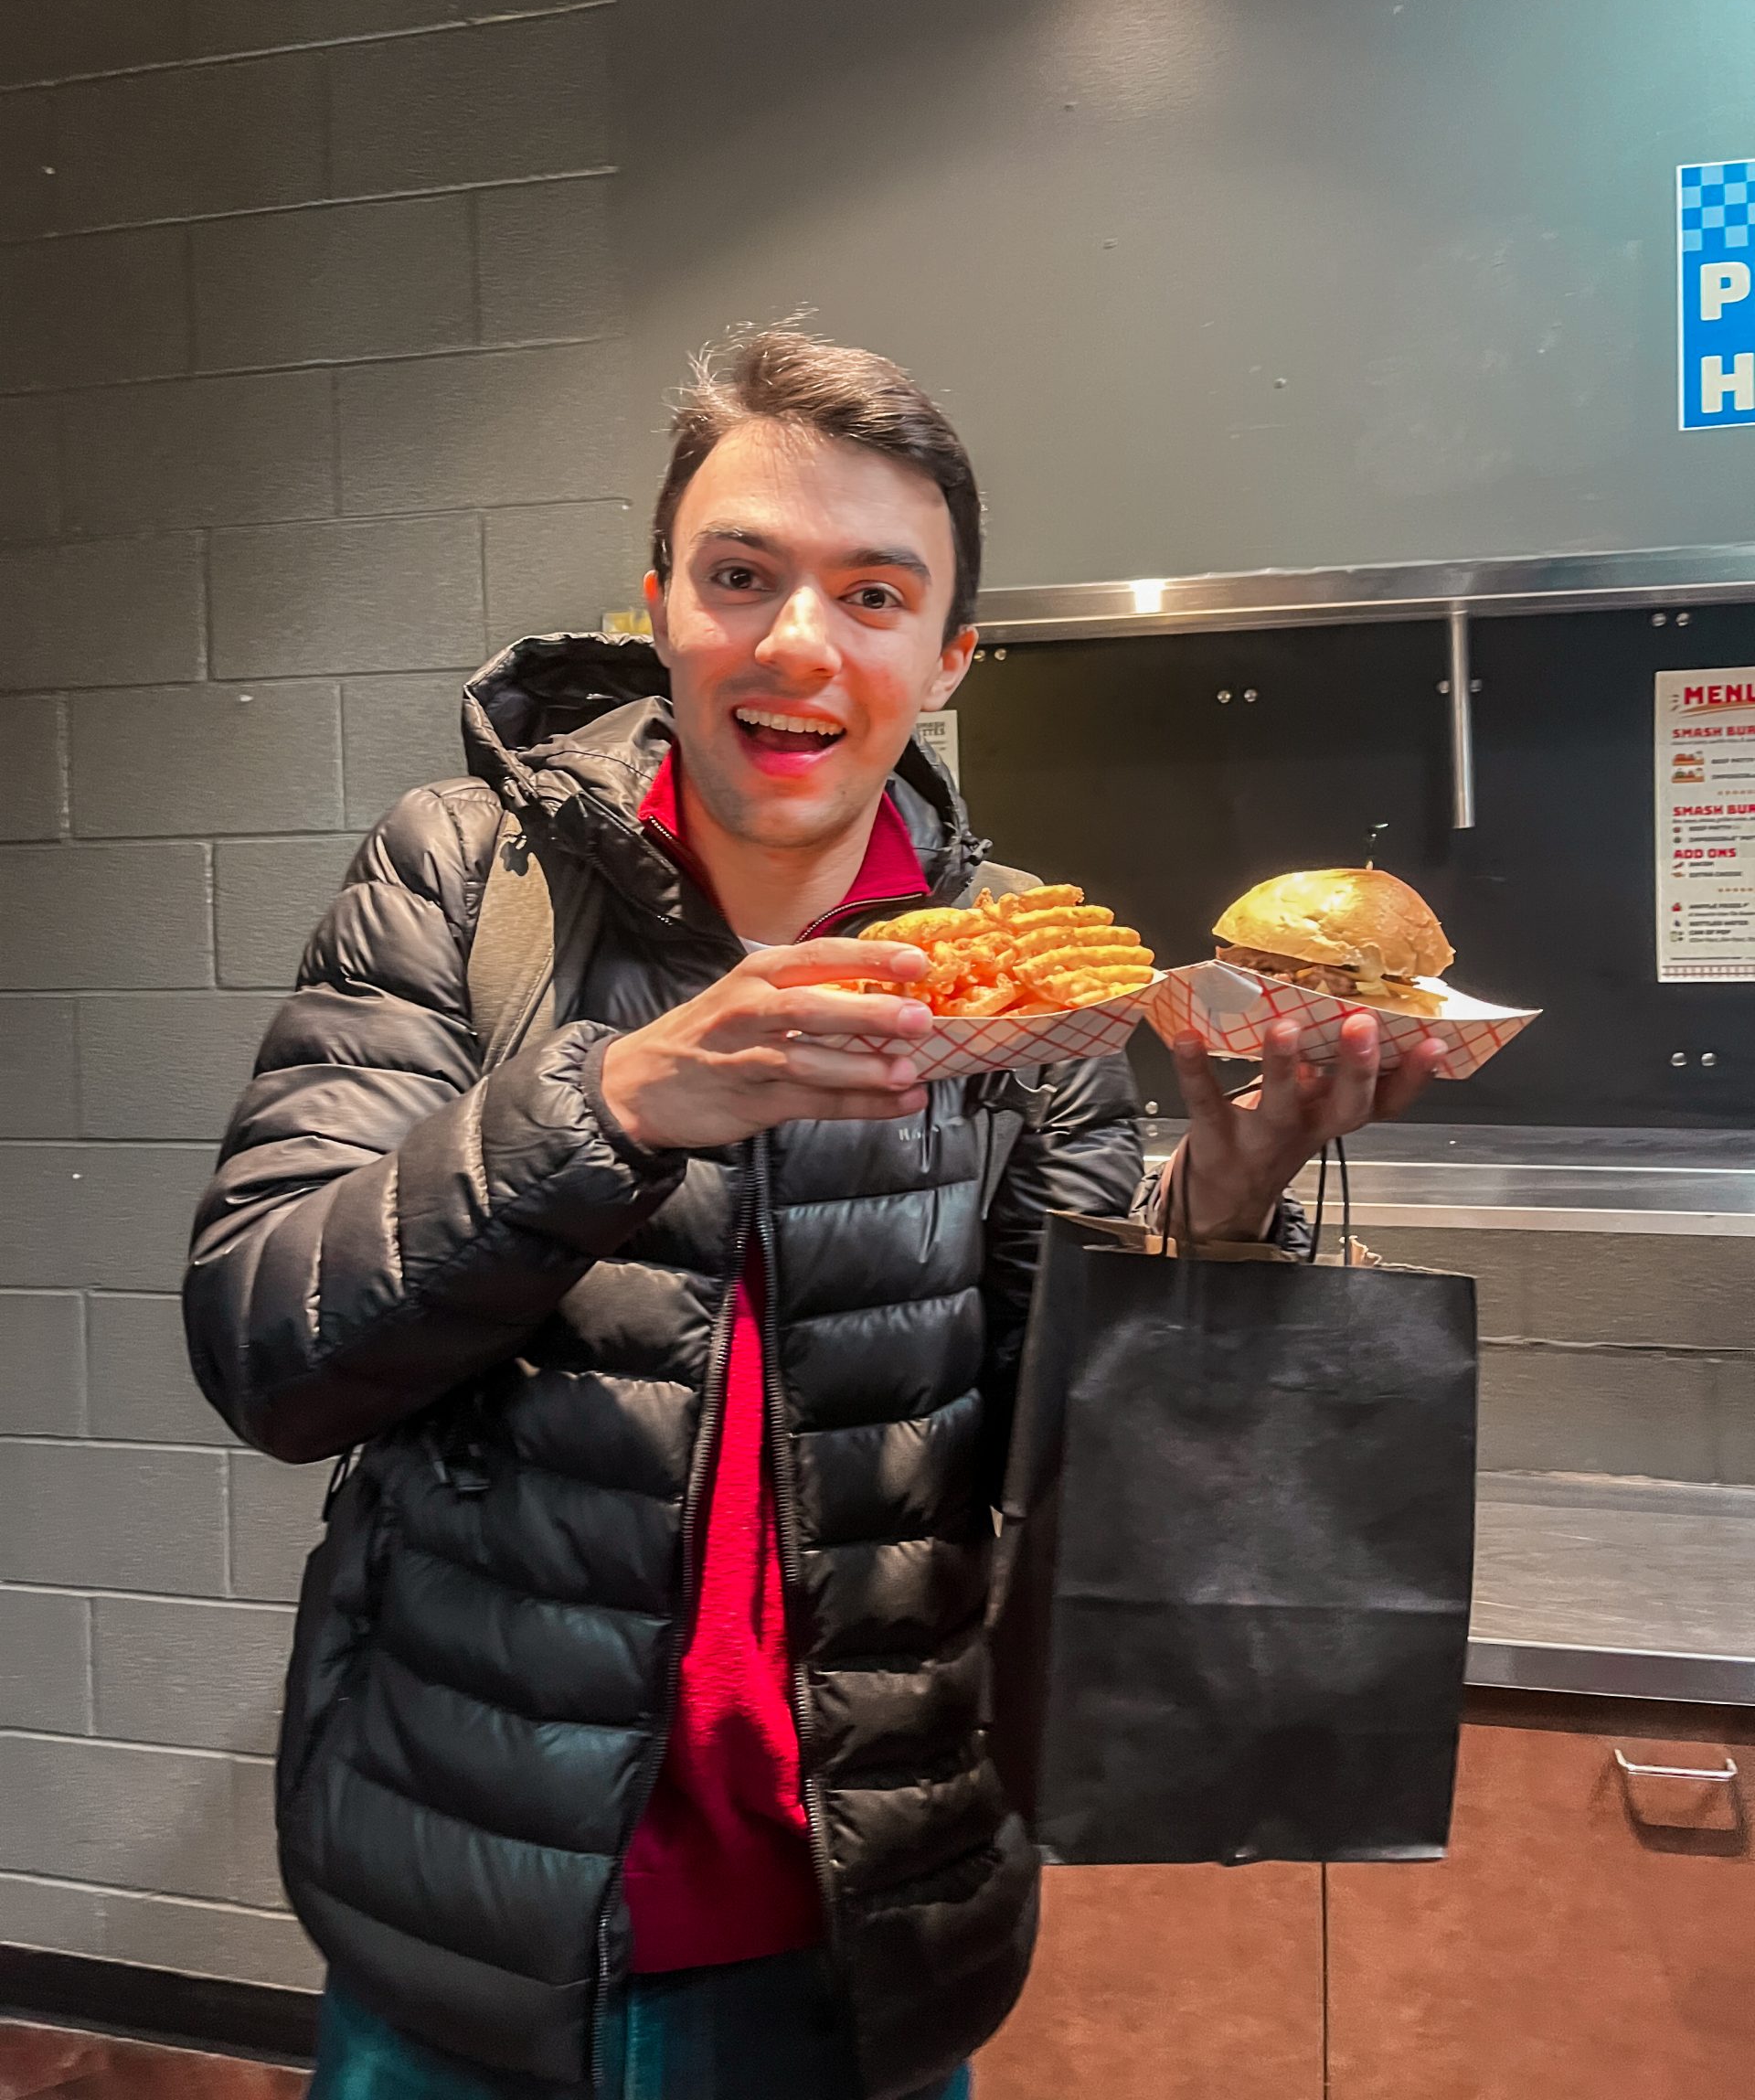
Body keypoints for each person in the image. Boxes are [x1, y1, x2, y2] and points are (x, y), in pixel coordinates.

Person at [183, 330, 1441, 2100]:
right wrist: (612, 1098)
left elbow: (1059, 1458)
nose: (796, 642)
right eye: (741, 574)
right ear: (658, 604)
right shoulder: (464, 879)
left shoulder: (1038, 990)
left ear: (946, 660)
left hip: (867, 1949)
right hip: (466, 1937)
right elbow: (263, 1335)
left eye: (871, 593)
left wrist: (1213, 1221)